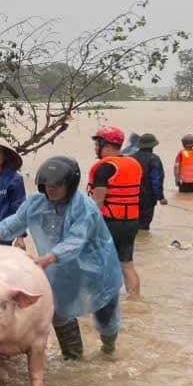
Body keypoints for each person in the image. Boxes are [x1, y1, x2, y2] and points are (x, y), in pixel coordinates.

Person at [0, 156, 123, 360]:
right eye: (47, 185)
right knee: (59, 311)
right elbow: (17, 222)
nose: (51, 189)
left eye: (57, 185)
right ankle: (74, 358)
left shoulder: (84, 208)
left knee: (105, 314)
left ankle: (109, 350)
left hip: (95, 269)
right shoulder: (37, 202)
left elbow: (76, 240)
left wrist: (48, 258)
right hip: (60, 268)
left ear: (70, 184)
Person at [86, 126, 142, 298]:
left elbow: (97, 202)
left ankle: (102, 302)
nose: (96, 148)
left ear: (107, 145)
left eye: (97, 144)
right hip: (131, 221)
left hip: (109, 222)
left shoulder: (104, 168)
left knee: (99, 263)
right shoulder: (133, 164)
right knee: (127, 264)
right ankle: (135, 300)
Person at [130, 133, 167, 231]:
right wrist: (161, 197)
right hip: (148, 197)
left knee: (133, 222)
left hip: (130, 196)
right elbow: (156, 180)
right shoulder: (154, 159)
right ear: (153, 145)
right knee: (144, 225)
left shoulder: (130, 158)